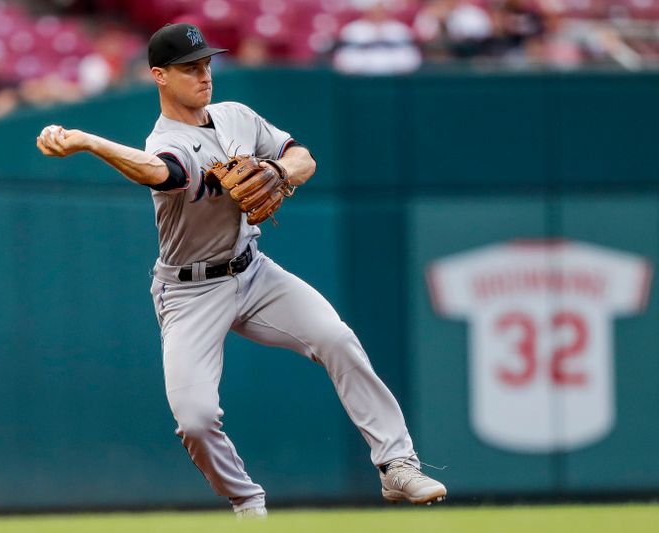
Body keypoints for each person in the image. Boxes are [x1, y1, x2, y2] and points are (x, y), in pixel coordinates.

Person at [36, 22, 446, 519]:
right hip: (189, 292)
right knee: (196, 418)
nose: (204, 74)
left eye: (206, 63)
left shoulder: (236, 116)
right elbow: (157, 171)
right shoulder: (167, 140)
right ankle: (247, 500)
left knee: (336, 338)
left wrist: (277, 171)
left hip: (255, 273)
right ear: (160, 76)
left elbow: (302, 157)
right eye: (190, 68)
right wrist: (87, 142)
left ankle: (397, 465)